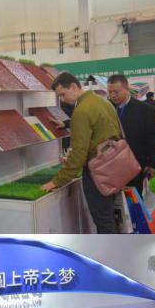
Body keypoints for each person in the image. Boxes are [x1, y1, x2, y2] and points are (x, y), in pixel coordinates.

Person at [41, 72, 123, 234]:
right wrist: (68, 124)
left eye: (62, 94)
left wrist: (58, 180)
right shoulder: (102, 102)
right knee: (108, 217)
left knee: (103, 221)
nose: (62, 100)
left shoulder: (81, 111)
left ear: (73, 86)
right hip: (113, 167)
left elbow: (79, 153)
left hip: (96, 172)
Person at [106, 75, 155, 195]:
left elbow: (152, 138)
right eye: (110, 92)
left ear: (127, 89)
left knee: (134, 199)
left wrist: (152, 164)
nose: (113, 95)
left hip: (135, 163)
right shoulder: (105, 108)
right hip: (111, 164)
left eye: (116, 92)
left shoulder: (144, 109)